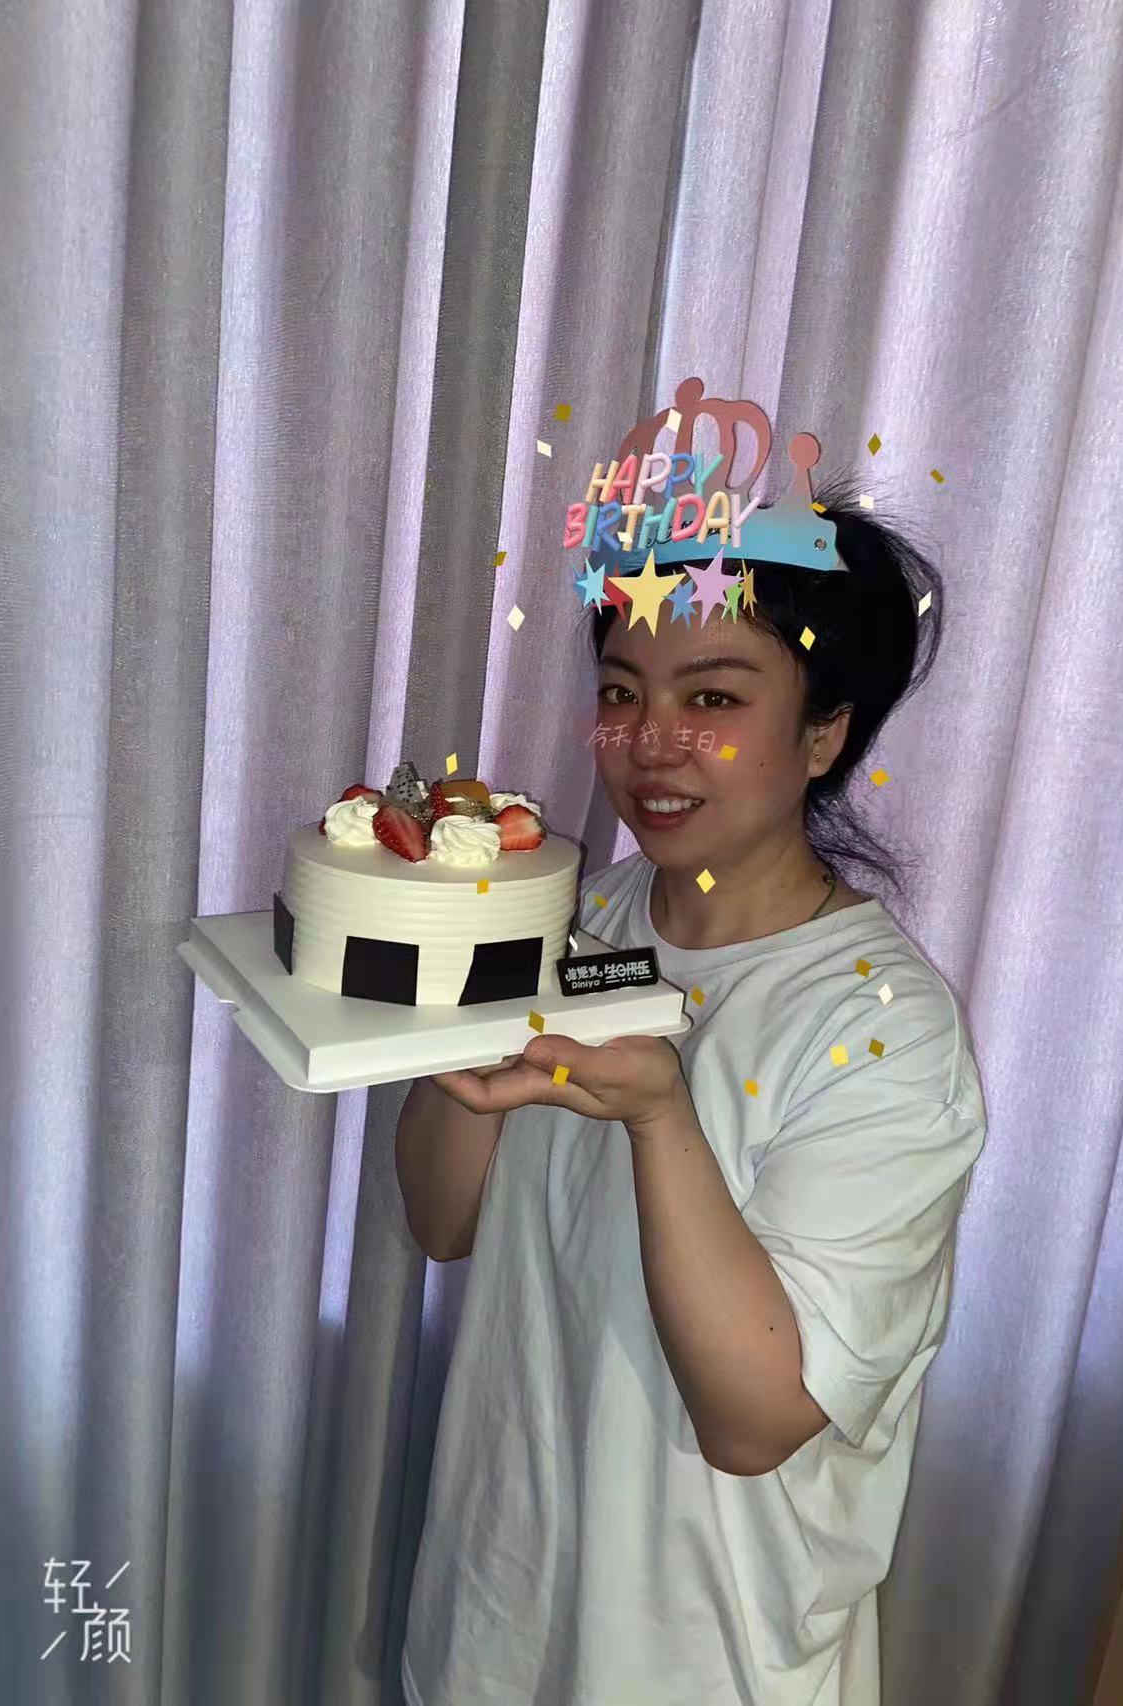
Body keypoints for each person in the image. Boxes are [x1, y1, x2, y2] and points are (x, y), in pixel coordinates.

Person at [395, 482, 987, 1705]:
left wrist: (661, 1115)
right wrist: (470, 997)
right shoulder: (580, 911)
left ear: (822, 733)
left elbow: (753, 1418)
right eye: (622, 692)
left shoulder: (880, 1030)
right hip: (498, 1613)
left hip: (699, 1660)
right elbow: (442, 1222)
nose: (648, 742)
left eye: (711, 697)